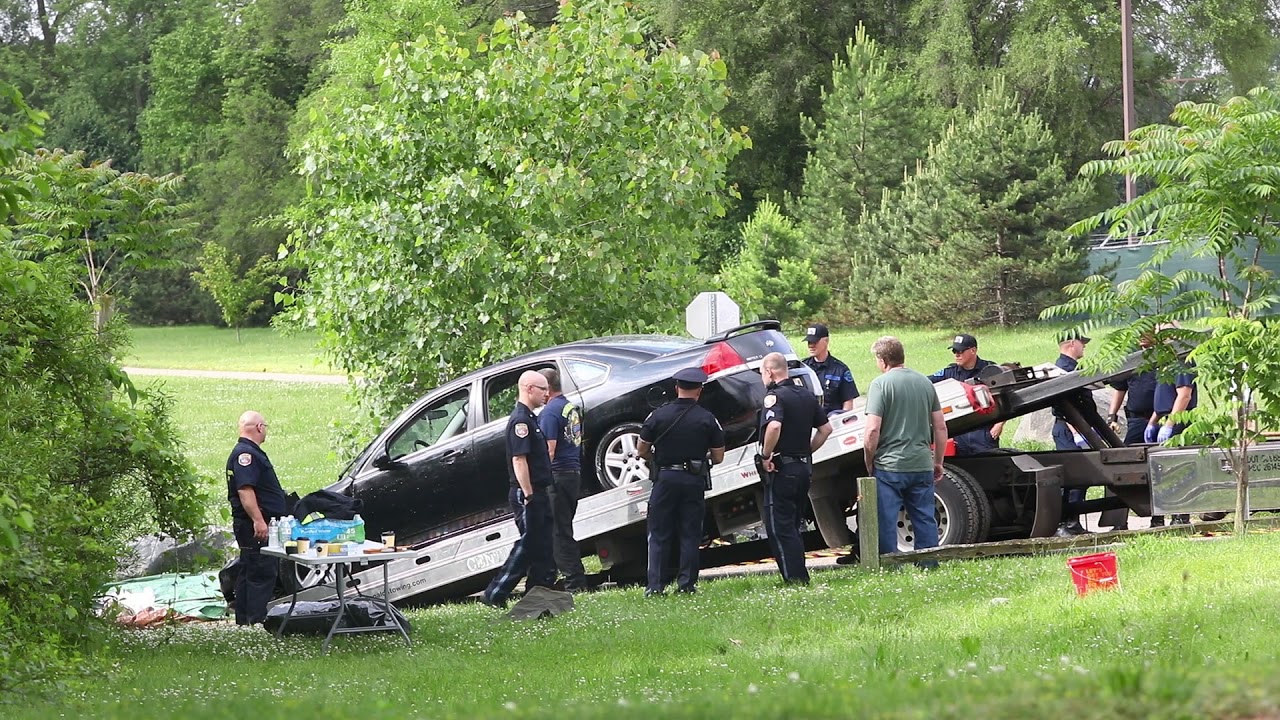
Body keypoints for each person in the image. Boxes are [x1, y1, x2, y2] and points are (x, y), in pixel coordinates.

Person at [636, 367, 726, 596]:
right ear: (700, 391)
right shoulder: (707, 418)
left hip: (665, 479)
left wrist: (657, 458)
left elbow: (641, 449)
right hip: (693, 480)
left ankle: (655, 587)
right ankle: (686, 585)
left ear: (677, 388)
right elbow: (718, 456)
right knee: (690, 533)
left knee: (658, 533)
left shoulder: (657, 415)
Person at [864, 337, 949, 563]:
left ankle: (891, 566)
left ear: (883, 360)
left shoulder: (880, 385)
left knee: (886, 519)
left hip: (890, 466)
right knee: (925, 518)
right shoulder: (924, 382)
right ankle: (929, 562)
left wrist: (869, 458)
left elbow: (872, 430)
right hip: (921, 463)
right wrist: (938, 461)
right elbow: (940, 426)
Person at [483, 371, 556, 608]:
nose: (547, 393)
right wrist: (528, 494)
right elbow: (519, 460)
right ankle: (496, 592)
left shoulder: (531, 418)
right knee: (529, 544)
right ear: (528, 388)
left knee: (543, 544)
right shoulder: (520, 421)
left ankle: (537, 595)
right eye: (543, 389)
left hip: (540, 490)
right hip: (528, 492)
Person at [758, 352, 832, 584]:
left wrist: (765, 454)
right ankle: (798, 573)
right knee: (792, 524)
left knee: (780, 526)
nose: (762, 378)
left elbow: (774, 427)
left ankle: (795, 579)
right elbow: (826, 429)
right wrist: (807, 451)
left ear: (770, 371)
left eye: (762, 373)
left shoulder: (775, 397)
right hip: (802, 469)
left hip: (782, 469)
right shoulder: (806, 395)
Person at [226, 410, 288, 625]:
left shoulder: (246, 452)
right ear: (260, 427)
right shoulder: (247, 455)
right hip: (255, 525)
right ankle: (255, 620)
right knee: (261, 572)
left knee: (249, 569)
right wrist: (259, 520)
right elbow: (245, 490)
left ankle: (244, 620)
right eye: (265, 427)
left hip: (252, 523)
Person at [537, 367, 588, 592]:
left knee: (559, 532)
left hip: (557, 475)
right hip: (572, 473)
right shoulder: (570, 407)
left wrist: (538, 479)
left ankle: (574, 582)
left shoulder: (550, 412)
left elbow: (549, 449)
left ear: (547, 388)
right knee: (564, 528)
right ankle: (568, 577)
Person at [928, 334, 1004, 456]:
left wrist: (999, 425)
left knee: (988, 468)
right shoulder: (950, 372)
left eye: (960, 351)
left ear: (973, 350)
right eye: (954, 351)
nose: (956, 355)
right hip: (960, 433)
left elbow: (1005, 396)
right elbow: (926, 381)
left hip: (983, 432)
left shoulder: (989, 370)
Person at [1050, 333, 1093, 537]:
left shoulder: (1072, 368)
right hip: (1069, 429)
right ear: (1071, 343)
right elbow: (1064, 406)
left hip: (1076, 428)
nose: (1084, 347)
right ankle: (1063, 523)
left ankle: (1073, 522)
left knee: (1081, 477)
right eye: (1082, 343)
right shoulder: (1063, 370)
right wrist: (1077, 432)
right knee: (1071, 477)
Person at [1149, 362, 1198, 527]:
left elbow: (1184, 395)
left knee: (1178, 468)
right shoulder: (1163, 363)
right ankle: (1160, 515)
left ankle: (1180, 516)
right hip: (1164, 420)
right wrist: (1153, 423)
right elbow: (1164, 398)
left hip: (1178, 421)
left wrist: (1170, 424)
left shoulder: (1182, 362)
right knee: (1160, 472)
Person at [802, 323, 859, 416]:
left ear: (826, 341)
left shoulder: (840, 369)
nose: (811, 346)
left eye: (814, 342)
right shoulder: (803, 368)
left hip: (832, 423)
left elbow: (848, 403)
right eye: (809, 342)